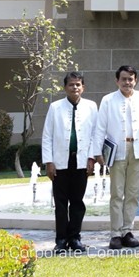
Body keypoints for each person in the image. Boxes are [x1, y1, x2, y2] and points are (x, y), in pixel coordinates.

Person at [92, 65, 139, 250]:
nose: (127, 82)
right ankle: (116, 234)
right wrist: (97, 152)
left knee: (133, 193)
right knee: (117, 193)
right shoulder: (108, 100)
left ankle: (127, 231)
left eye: (130, 79)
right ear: (117, 81)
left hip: (137, 148)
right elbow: (100, 127)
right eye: (124, 79)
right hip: (117, 149)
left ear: (135, 80)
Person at [41, 71, 98, 254]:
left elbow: (95, 135)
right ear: (65, 87)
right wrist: (49, 162)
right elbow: (47, 136)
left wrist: (91, 158)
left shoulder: (91, 106)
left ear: (83, 87)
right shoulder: (55, 107)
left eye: (78, 84)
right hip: (60, 162)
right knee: (60, 203)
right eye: (71, 84)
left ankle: (75, 238)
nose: (75, 87)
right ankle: (61, 240)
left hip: (81, 161)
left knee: (77, 202)